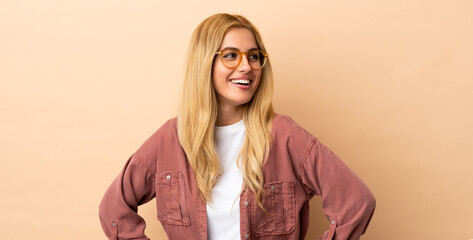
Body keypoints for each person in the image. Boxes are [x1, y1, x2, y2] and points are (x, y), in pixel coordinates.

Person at [99, 13, 376, 240]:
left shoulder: (284, 135)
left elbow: (356, 202)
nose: (246, 67)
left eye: (254, 56)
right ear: (205, 63)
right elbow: (113, 209)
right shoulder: (172, 139)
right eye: (231, 55)